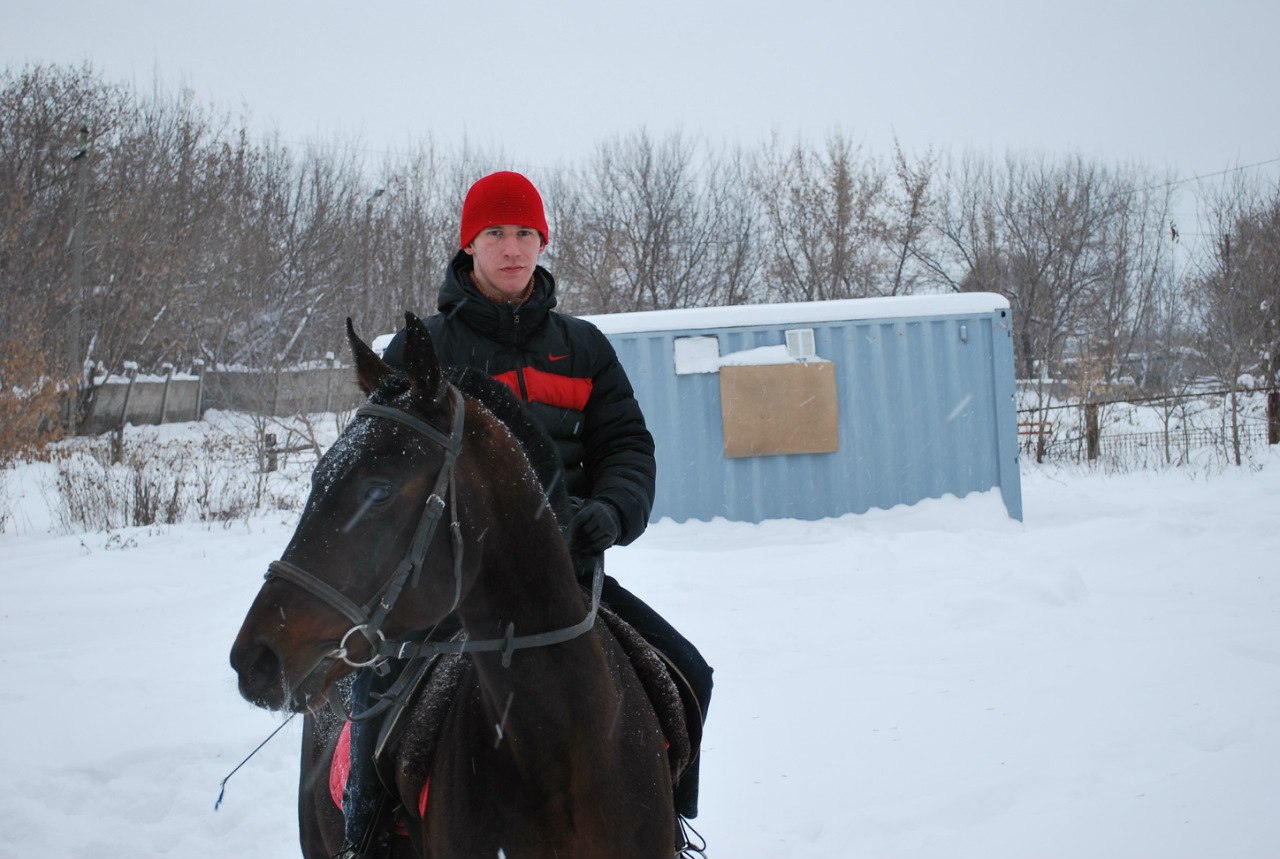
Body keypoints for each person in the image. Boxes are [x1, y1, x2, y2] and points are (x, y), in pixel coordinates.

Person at [340, 170, 712, 857]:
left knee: (690, 672)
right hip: (454, 592)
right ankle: (366, 829)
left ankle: (668, 823)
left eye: (525, 234)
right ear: (468, 246)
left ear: (542, 242)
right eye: (496, 234)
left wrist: (610, 510)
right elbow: (386, 472)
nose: (513, 248)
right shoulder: (427, 349)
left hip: (570, 582)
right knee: (380, 687)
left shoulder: (584, 347)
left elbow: (627, 446)